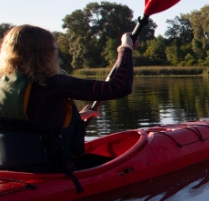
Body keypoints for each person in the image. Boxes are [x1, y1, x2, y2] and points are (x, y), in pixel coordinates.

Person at [0, 25, 135, 172]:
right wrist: (126, 47)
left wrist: (77, 117)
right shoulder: (52, 84)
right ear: (47, 54)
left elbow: (27, 124)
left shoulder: (4, 84)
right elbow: (118, 87)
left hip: (10, 170)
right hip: (51, 170)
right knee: (130, 166)